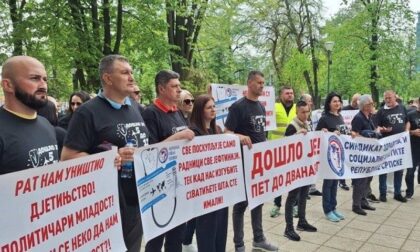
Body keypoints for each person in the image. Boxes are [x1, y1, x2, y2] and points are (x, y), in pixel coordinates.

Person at [61, 55, 149, 252]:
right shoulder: (87, 112)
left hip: (138, 197)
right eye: (125, 72)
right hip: (108, 205)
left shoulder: (133, 107)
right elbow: (67, 157)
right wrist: (109, 158)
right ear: (108, 79)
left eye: (131, 72)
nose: (132, 77)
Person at [142, 70, 195, 252]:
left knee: (176, 237)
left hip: (178, 185)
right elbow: (149, 152)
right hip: (159, 188)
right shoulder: (150, 114)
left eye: (179, 86)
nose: (179, 90)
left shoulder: (177, 112)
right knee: (156, 240)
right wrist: (179, 136)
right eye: (175, 86)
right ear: (161, 88)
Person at [225, 70, 278, 252]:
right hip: (243, 163)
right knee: (241, 204)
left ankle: (259, 238)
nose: (262, 85)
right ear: (249, 83)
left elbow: (261, 133)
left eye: (263, 83)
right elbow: (227, 133)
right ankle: (239, 244)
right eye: (258, 82)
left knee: (258, 200)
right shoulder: (238, 107)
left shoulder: (261, 107)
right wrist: (239, 136)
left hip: (259, 164)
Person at [0, 55, 59, 173]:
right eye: (34, 78)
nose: (43, 85)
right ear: (8, 85)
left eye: (45, 79)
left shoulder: (46, 124)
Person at [189, 94, 228, 252]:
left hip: (220, 191)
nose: (213, 110)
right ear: (200, 110)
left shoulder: (217, 129)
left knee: (221, 233)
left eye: (214, 106)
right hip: (204, 194)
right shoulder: (193, 132)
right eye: (209, 107)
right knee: (207, 233)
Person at [283, 100, 317, 241]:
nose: (305, 114)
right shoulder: (292, 126)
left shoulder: (308, 124)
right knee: (292, 198)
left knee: (303, 194)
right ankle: (288, 228)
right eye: (302, 112)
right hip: (295, 168)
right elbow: (285, 146)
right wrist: (296, 135)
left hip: (306, 166)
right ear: (297, 111)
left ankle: (302, 221)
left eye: (307, 111)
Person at [316, 92, 348, 222]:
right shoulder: (325, 118)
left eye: (339, 101)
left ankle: (334, 207)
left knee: (335, 183)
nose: (337, 103)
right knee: (328, 183)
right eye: (334, 101)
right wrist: (328, 133)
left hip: (338, 156)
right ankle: (327, 210)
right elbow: (317, 134)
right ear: (329, 103)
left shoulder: (340, 116)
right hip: (329, 156)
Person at [375, 90, 410, 203]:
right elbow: (376, 127)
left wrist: (406, 130)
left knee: (399, 169)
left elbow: (407, 121)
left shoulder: (402, 108)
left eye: (390, 97)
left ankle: (397, 193)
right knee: (384, 169)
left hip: (400, 145)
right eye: (386, 98)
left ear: (395, 97)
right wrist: (382, 129)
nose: (388, 100)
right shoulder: (381, 111)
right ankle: (383, 193)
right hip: (386, 145)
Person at [350, 94, 379, 215]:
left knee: (367, 178)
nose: (373, 105)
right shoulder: (358, 118)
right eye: (371, 103)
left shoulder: (368, 116)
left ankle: (363, 200)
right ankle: (356, 204)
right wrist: (366, 138)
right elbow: (354, 134)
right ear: (365, 105)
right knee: (360, 180)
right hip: (361, 154)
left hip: (369, 154)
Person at [270, 86, 296, 218]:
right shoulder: (273, 107)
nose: (290, 95)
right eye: (287, 93)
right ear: (281, 95)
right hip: (277, 148)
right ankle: (277, 204)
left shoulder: (298, 108)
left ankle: (293, 205)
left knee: (293, 177)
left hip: (293, 149)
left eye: (291, 93)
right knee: (278, 179)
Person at [299, 94, 322, 197]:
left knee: (312, 167)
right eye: (309, 101)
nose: (311, 103)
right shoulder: (301, 116)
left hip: (312, 146)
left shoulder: (313, 114)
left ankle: (311, 188)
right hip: (303, 148)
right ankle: (303, 190)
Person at [339, 93, 361, 191]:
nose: (357, 103)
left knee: (353, 160)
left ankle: (354, 180)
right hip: (344, 137)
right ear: (353, 100)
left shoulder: (360, 110)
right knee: (343, 160)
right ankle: (342, 182)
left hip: (354, 137)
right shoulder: (344, 110)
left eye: (358, 101)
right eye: (355, 101)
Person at [405, 97, 420, 199]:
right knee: (410, 171)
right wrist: (413, 132)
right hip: (413, 147)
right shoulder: (411, 115)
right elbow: (405, 131)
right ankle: (409, 192)